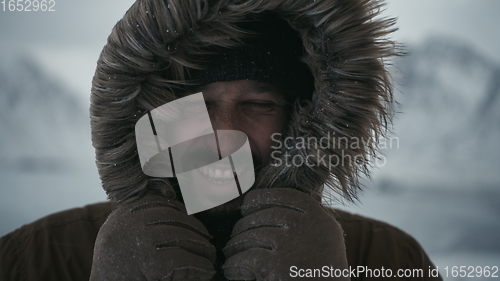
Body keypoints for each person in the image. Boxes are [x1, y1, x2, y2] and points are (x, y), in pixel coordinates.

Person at [0, 0, 442, 280]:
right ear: (148, 118)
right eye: (198, 103)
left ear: (301, 122)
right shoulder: (35, 258)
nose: (223, 133)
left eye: (259, 104)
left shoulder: (390, 258)